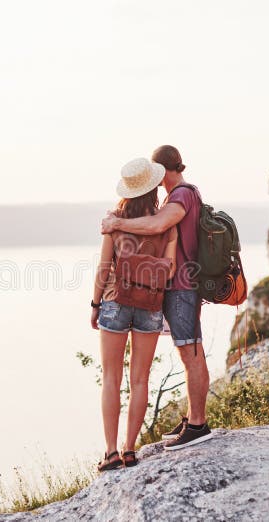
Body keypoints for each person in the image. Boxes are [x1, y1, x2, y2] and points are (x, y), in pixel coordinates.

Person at [101, 145, 213, 451]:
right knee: (188, 351)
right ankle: (193, 416)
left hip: (181, 286)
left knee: (190, 352)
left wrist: (117, 223)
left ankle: (198, 425)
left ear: (161, 172)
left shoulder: (181, 195)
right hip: (180, 286)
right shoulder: (180, 194)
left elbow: (157, 225)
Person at [91, 157, 177, 471]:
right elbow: (170, 271)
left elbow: (103, 269)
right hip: (150, 305)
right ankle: (130, 450)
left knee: (111, 379)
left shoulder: (114, 221)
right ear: (153, 186)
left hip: (114, 301)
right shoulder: (165, 224)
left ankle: (111, 453)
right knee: (140, 380)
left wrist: (94, 304)